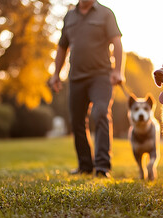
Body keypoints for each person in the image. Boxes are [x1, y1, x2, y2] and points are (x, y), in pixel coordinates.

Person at [49, 0, 124, 178]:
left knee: (100, 113)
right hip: (75, 78)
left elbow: (117, 42)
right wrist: (56, 74)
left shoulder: (105, 13)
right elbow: (62, 47)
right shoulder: (70, 16)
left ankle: (102, 167)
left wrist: (118, 71)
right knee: (76, 121)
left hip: (101, 76)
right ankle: (85, 165)